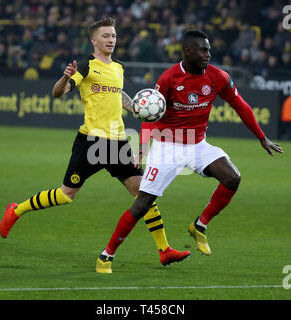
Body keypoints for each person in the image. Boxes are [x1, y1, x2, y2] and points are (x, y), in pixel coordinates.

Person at [0, 17, 190, 272]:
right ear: (94, 40)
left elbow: (116, 93)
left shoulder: (119, 68)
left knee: (144, 194)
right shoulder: (86, 67)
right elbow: (59, 92)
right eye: (106, 36)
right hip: (91, 142)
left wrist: (134, 106)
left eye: (113, 36)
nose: (111, 40)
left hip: (119, 142)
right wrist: (64, 78)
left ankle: (164, 250)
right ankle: (16, 209)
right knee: (66, 195)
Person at [97, 30, 283, 273]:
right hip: (167, 146)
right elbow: (151, 115)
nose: (208, 54)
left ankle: (200, 225)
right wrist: (143, 146)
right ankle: (106, 255)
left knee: (232, 177)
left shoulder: (218, 77)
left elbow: (241, 105)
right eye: (203, 50)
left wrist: (261, 136)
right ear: (188, 51)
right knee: (143, 203)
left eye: (208, 49)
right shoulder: (169, 78)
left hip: (198, 145)